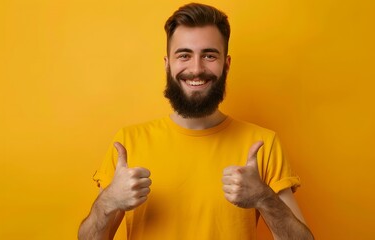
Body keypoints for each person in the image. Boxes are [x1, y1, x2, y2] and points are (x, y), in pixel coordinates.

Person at [78, 3, 314, 240]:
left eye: (209, 55)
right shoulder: (128, 143)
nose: (196, 69)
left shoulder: (263, 144)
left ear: (227, 64)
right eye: (184, 55)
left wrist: (264, 198)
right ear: (167, 64)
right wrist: (109, 200)